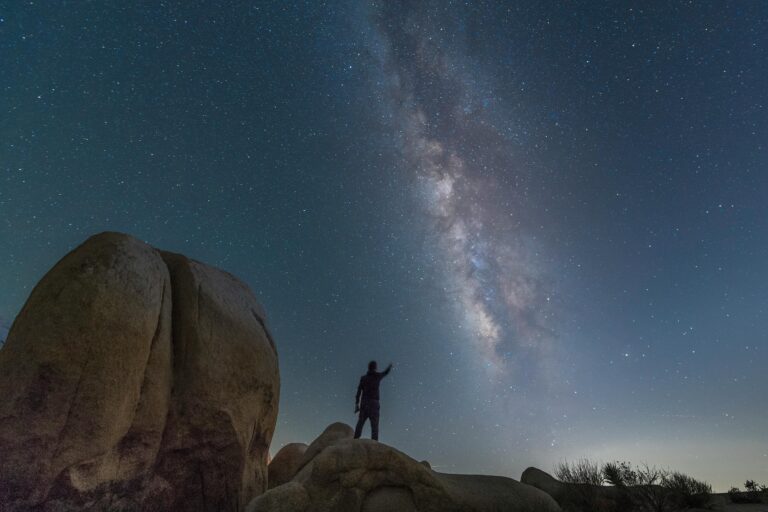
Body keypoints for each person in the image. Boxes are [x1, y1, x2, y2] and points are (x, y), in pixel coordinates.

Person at [354, 360, 393, 441]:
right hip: (374, 404)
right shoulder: (377, 376)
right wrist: (389, 367)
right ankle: (374, 443)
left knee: (360, 423)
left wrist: (357, 404)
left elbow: (358, 391)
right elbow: (385, 372)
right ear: (375, 367)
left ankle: (355, 440)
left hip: (364, 403)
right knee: (374, 426)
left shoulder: (363, 378)